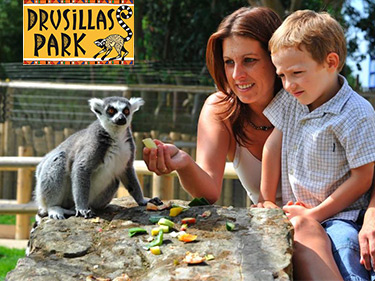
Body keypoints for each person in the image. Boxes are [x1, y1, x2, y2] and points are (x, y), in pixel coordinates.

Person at [143, 6, 374, 280]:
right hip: (287, 222)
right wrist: (183, 163)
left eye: (249, 60)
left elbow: (365, 171)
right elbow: (211, 191)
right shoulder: (240, 107)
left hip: (334, 219)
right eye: (229, 62)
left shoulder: (324, 99)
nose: (237, 74)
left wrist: (369, 215)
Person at [259, 9, 375, 281]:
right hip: (299, 212)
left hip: (342, 218)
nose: (288, 84)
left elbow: (363, 177)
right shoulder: (293, 101)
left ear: (331, 62)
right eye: (282, 75)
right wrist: (265, 198)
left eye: (297, 72)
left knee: (346, 254)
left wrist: (314, 214)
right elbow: (273, 145)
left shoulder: (356, 112)